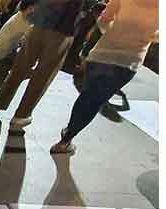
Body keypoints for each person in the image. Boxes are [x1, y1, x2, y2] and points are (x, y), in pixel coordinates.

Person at [50, 0, 159, 154]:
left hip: (101, 54)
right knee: (95, 102)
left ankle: (68, 133)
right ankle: (66, 140)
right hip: (128, 62)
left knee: (86, 96)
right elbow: (158, 37)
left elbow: (103, 21)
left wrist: (115, 32)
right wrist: (146, 35)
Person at [0, 0, 84, 133]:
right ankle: (21, 115)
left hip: (40, 19)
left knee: (20, 68)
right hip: (63, 28)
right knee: (43, 75)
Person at [0, 0, 36, 91]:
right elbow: (31, 36)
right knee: (26, 66)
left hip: (1, 50)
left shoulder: (18, 15)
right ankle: (22, 75)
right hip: (5, 52)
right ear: (30, 8)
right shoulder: (24, 21)